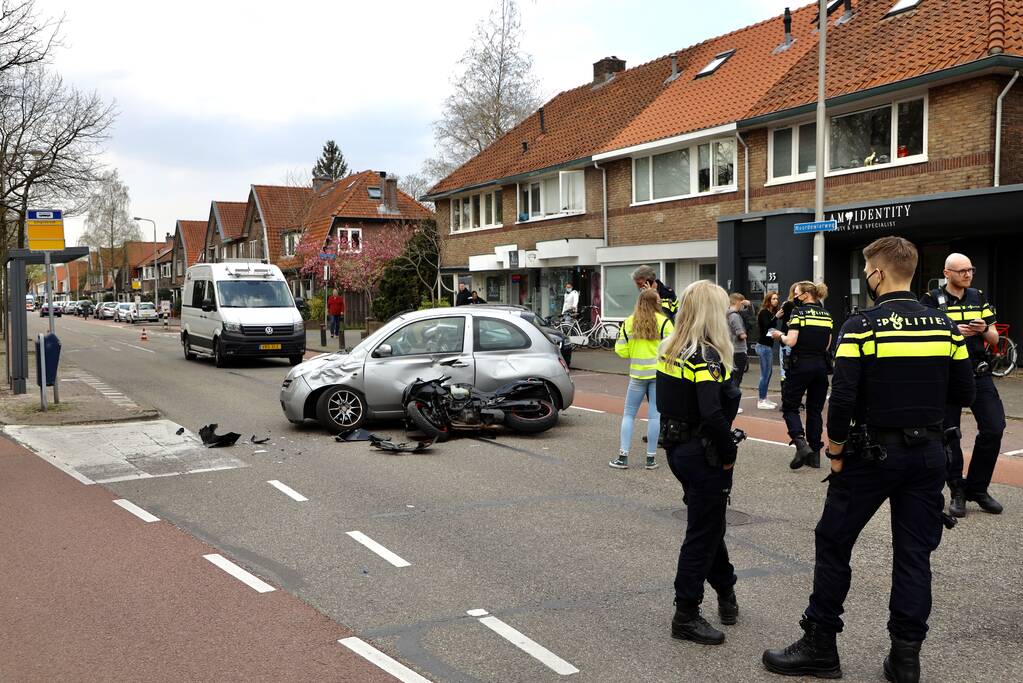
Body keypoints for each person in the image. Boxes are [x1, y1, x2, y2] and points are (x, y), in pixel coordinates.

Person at [763, 236, 975, 682]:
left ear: (877, 273)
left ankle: (821, 645)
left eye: (867, 271)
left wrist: (835, 451)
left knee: (835, 542)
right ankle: (905, 659)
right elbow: (964, 393)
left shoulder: (862, 326)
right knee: (914, 557)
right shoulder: (944, 327)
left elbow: (841, 400)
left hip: (871, 454)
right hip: (929, 455)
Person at [657, 280, 742, 646]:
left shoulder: (669, 349)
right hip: (703, 452)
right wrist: (728, 454)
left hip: (677, 449)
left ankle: (726, 591)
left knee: (710, 525)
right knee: (702, 534)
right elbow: (712, 414)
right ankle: (686, 613)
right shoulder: (706, 356)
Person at [920, 253, 1006, 517]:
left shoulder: (978, 296)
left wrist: (983, 329)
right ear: (947, 273)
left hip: (978, 373)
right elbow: (924, 338)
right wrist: (952, 330)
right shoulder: (931, 300)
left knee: (994, 428)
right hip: (946, 376)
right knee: (950, 434)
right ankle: (956, 488)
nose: (968, 275)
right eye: (962, 271)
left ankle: (977, 488)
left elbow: (995, 339)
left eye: (971, 269)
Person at [610, 288, 674, 470]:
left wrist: (633, 351)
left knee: (629, 415)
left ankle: (623, 457)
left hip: (637, 375)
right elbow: (673, 348)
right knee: (655, 417)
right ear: (656, 303)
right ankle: (651, 459)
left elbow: (620, 350)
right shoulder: (664, 322)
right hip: (658, 375)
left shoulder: (629, 323)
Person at [771, 281, 832, 469]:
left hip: (801, 365)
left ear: (806, 294)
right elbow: (827, 345)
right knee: (815, 410)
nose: (794, 298)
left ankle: (800, 444)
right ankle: (815, 455)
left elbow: (791, 341)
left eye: (796, 294)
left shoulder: (799, 312)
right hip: (821, 367)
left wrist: (778, 335)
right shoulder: (826, 314)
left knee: (790, 407)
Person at [756, 292, 780, 410]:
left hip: (768, 346)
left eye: (777, 299)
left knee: (768, 373)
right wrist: (776, 317)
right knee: (765, 374)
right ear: (768, 299)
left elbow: (771, 328)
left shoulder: (772, 313)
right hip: (763, 346)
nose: (776, 301)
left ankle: (764, 397)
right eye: (774, 298)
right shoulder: (764, 312)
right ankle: (761, 400)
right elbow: (767, 326)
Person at [726, 293, 748, 414]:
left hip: (730, 349)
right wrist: (744, 334)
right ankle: (733, 405)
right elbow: (740, 332)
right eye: (741, 303)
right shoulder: (735, 316)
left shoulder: (726, 314)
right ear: (737, 302)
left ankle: (729, 402)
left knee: (730, 377)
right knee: (737, 378)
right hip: (738, 350)